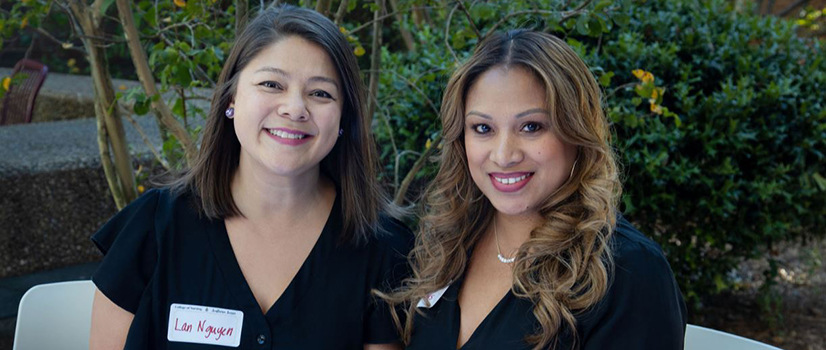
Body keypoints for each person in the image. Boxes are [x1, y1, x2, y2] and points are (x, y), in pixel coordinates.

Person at [89, 5, 409, 350]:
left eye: (320, 93)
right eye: (272, 84)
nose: (294, 108)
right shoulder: (153, 228)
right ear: (232, 98)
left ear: (344, 116)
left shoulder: (385, 250)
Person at [381, 29, 687, 349]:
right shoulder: (449, 244)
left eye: (531, 127)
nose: (504, 155)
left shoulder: (629, 271)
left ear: (576, 132)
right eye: (483, 128)